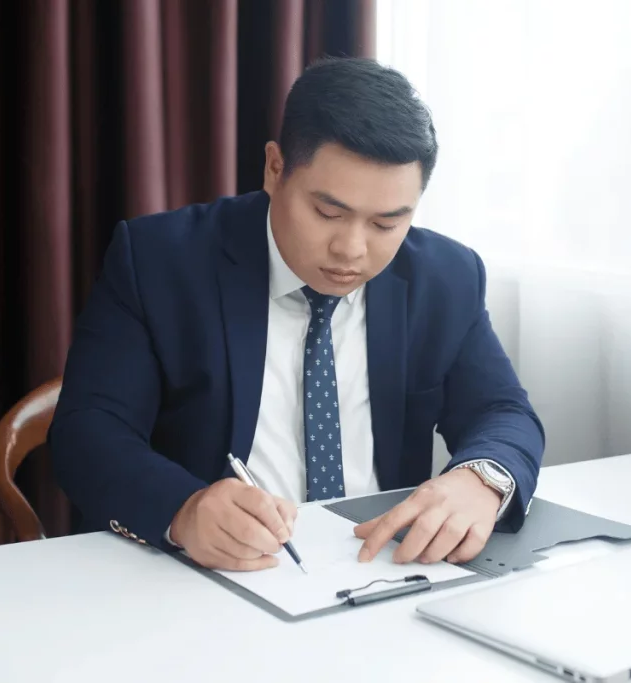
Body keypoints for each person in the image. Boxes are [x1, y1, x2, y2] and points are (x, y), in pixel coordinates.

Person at [48, 56, 545, 572]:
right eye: (328, 213)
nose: (352, 250)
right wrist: (184, 508)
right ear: (275, 167)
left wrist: (480, 480)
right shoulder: (159, 260)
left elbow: (502, 411)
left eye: (386, 223)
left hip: (382, 571)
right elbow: (89, 431)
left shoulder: (447, 277)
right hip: (208, 577)